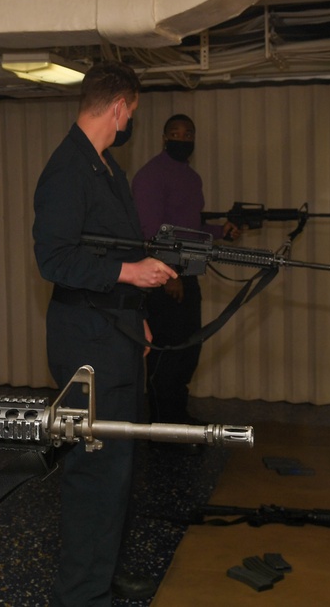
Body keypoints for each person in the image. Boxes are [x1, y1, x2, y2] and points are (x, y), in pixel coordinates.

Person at [33, 60, 178, 606]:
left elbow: (108, 252)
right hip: (86, 350)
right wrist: (129, 273)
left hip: (113, 338)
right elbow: (55, 259)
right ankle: (81, 594)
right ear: (119, 106)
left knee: (119, 471)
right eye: (130, 113)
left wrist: (132, 306)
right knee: (94, 477)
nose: (128, 124)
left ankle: (107, 574)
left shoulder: (106, 168)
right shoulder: (67, 169)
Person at [131, 113, 240, 431]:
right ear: (164, 139)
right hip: (162, 279)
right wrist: (171, 276)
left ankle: (178, 417)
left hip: (187, 273)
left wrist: (222, 231)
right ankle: (163, 423)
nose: (182, 139)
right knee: (167, 353)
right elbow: (151, 232)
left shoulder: (191, 178)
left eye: (188, 133)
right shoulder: (151, 176)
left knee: (189, 349)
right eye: (175, 134)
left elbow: (190, 228)